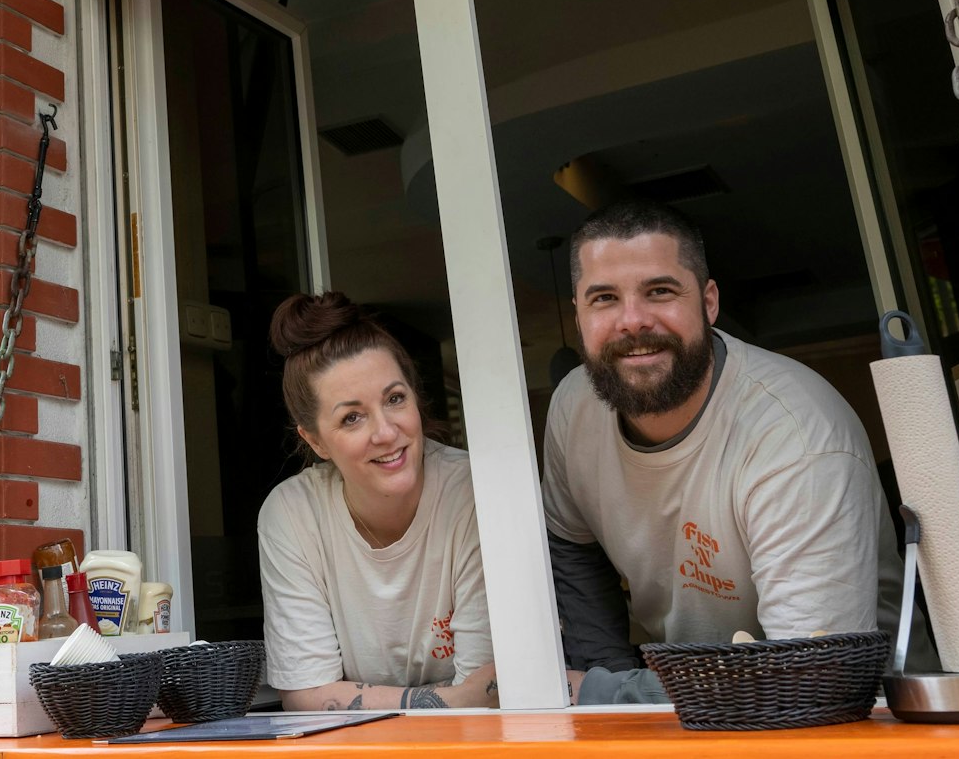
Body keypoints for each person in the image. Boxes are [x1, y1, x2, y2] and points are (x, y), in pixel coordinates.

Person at [543, 200, 900, 703]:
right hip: (686, 715)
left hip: (856, 725)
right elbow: (572, 547)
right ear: (578, 316)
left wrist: (605, 691)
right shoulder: (572, 407)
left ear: (709, 303)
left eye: (660, 291)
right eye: (604, 298)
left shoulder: (795, 435)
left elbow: (806, 680)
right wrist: (612, 687)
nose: (633, 320)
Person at [257, 291, 498, 711]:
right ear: (315, 441)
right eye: (352, 417)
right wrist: (453, 699)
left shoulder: (476, 492)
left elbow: (491, 694)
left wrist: (347, 696)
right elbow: (305, 697)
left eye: (394, 399)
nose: (386, 432)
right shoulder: (293, 515)